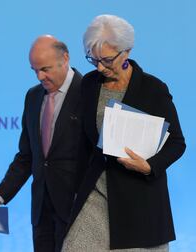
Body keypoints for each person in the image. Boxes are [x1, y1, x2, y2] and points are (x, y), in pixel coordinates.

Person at [62, 15, 186, 251]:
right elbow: (84, 143)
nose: (99, 67)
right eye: (93, 59)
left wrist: (150, 166)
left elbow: (177, 143)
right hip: (95, 193)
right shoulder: (89, 84)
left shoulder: (153, 89)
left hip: (138, 200)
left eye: (106, 60)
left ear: (126, 52)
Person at [0, 35, 85, 252]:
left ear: (65, 58)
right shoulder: (33, 97)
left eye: (45, 69)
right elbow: (27, 156)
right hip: (41, 212)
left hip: (77, 211)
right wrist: (0, 195)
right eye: (34, 70)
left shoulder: (88, 94)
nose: (40, 76)